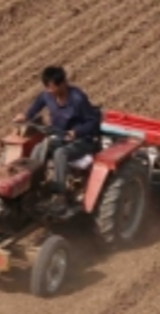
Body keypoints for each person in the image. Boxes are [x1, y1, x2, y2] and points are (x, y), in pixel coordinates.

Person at [13, 65, 101, 213]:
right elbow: (37, 105)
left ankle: (60, 196)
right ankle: (34, 187)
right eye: (47, 88)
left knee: (60, 153)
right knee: (39, 148)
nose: (49, 91)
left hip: (83, 141)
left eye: (52, 88)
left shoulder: (77, 98)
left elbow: (93, 121)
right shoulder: (47, 95)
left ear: (63, 84)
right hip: (60, 136)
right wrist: (26, 116)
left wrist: (76, 132)